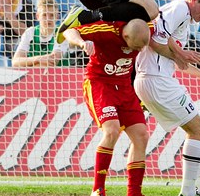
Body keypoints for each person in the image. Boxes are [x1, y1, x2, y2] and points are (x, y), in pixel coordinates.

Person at [134, 0, 200, 196]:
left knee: (196, 130)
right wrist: (181, 54)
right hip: (156, 80)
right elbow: (152, 38)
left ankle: (196, 188)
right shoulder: (179, 8)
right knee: (198, 129)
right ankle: (189, 192)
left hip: (155, 79)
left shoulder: (183, 21)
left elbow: (174, 56)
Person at [62, 18, 152, 196]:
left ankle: (134, 193)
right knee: (112, 131)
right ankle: (98, 189)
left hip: (125, 86)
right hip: (99, 84)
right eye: (135, 46)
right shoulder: (105, 30)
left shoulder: (146, 28)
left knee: (141, 135)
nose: (138, 51)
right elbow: (68, 31)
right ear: (125, 35)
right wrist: (81, 43)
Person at [12, 0, 69, 67]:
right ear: (37, 16)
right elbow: (15, 61)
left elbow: (53, 61)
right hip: (34, 75)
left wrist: (29, 62)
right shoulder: (30, 32)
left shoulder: (62, 33)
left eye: (52, 15)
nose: (48, 19)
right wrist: (38, 59)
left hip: (60, 76)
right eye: (44, 15)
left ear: (57, 17)